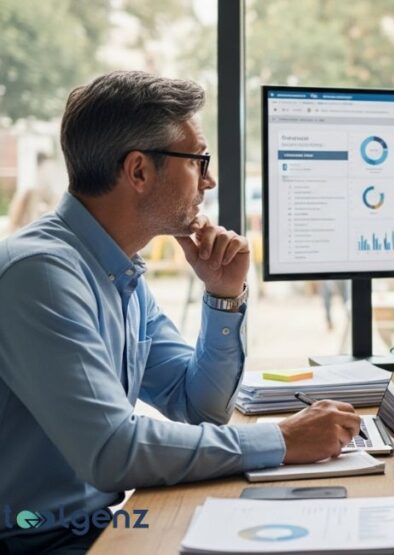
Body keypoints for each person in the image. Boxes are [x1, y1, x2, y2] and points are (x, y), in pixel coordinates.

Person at [0, 71, 361, 553]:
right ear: (138, 171)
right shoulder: (41, 275)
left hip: (96, 527)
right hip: (37, 541)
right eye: (198, 161)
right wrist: (283, 440)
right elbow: (112, 451)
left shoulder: (117, 272)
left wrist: (223, 296)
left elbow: (199, 408)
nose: (209, 180)